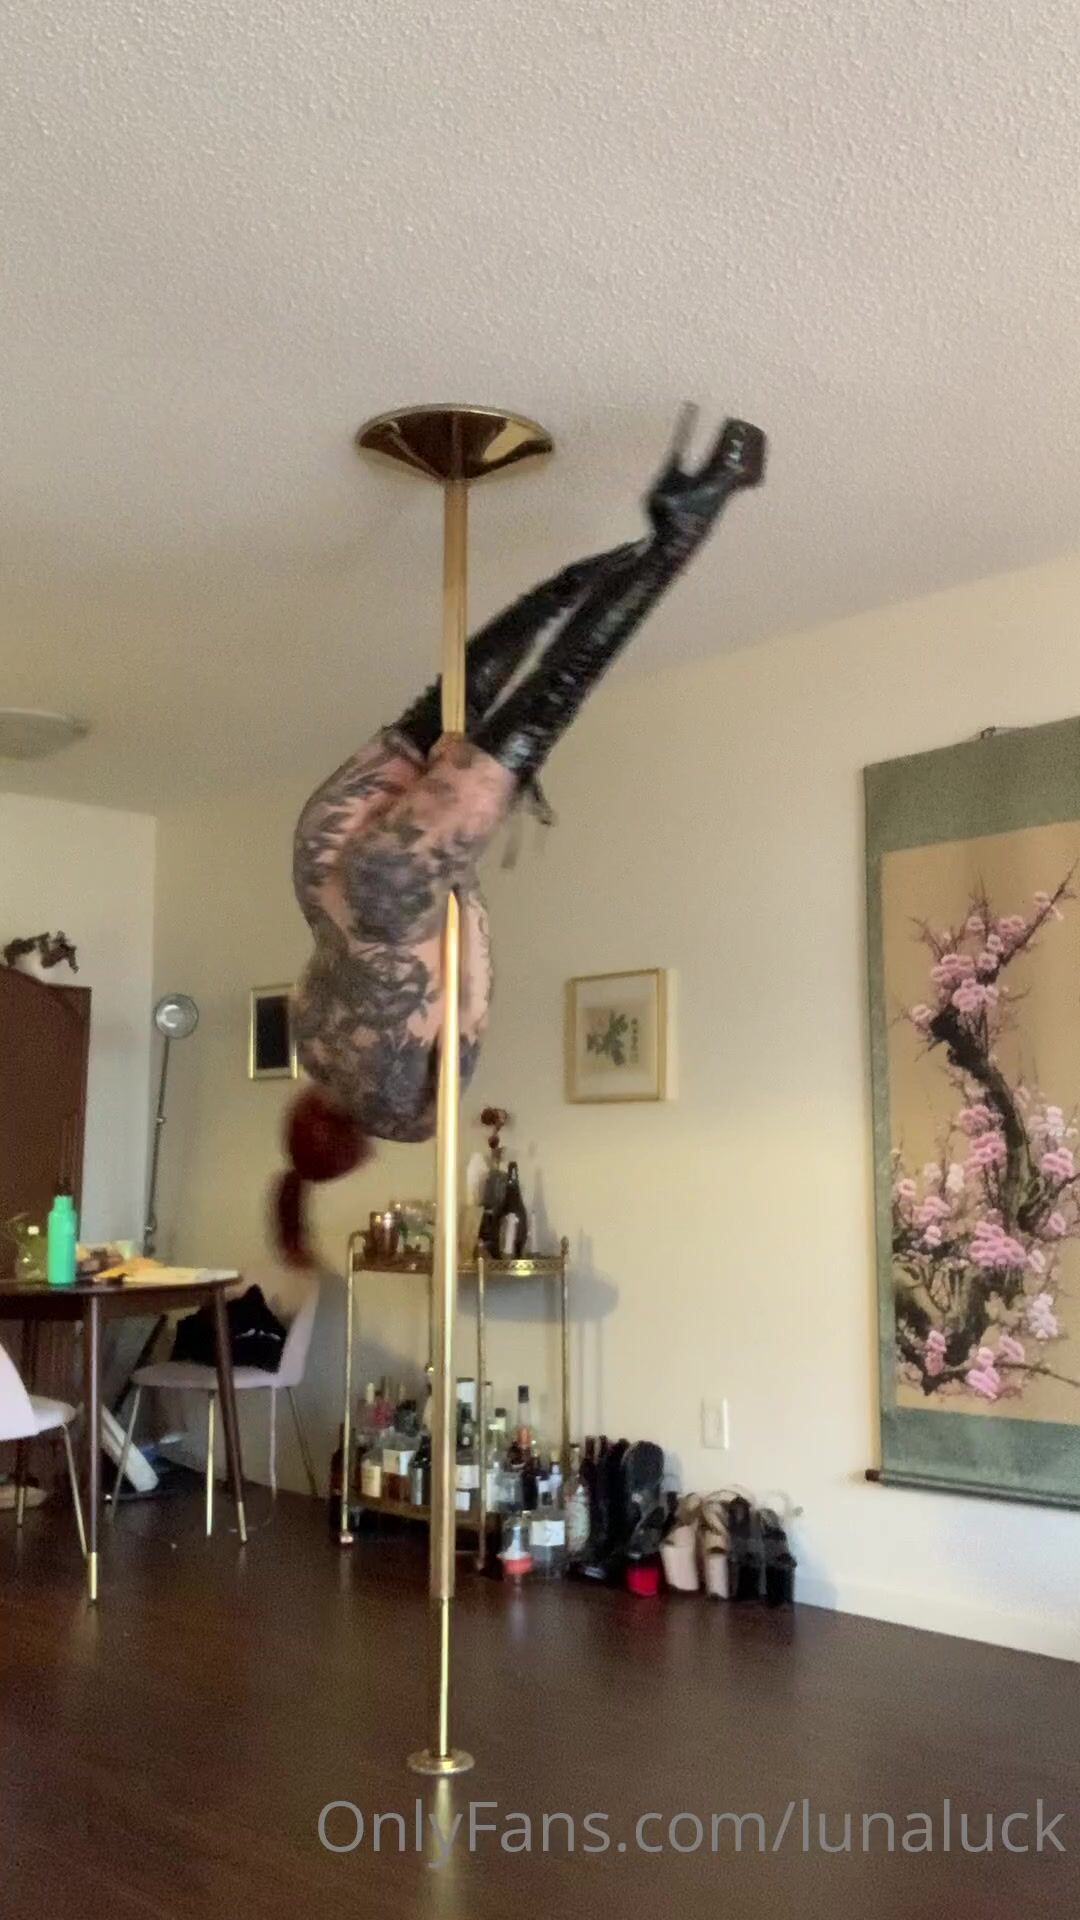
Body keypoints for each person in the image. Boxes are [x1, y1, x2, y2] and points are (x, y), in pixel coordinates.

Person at [275, 409, 765, 1261]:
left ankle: (687, 520)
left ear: (354, 1155)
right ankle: (564, 586)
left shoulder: (408, 1119)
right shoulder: (310, 1049)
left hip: (396, 891)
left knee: (548, 702)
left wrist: (464, 860)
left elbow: (468, 994)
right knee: (443, 707)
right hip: (318, 856)